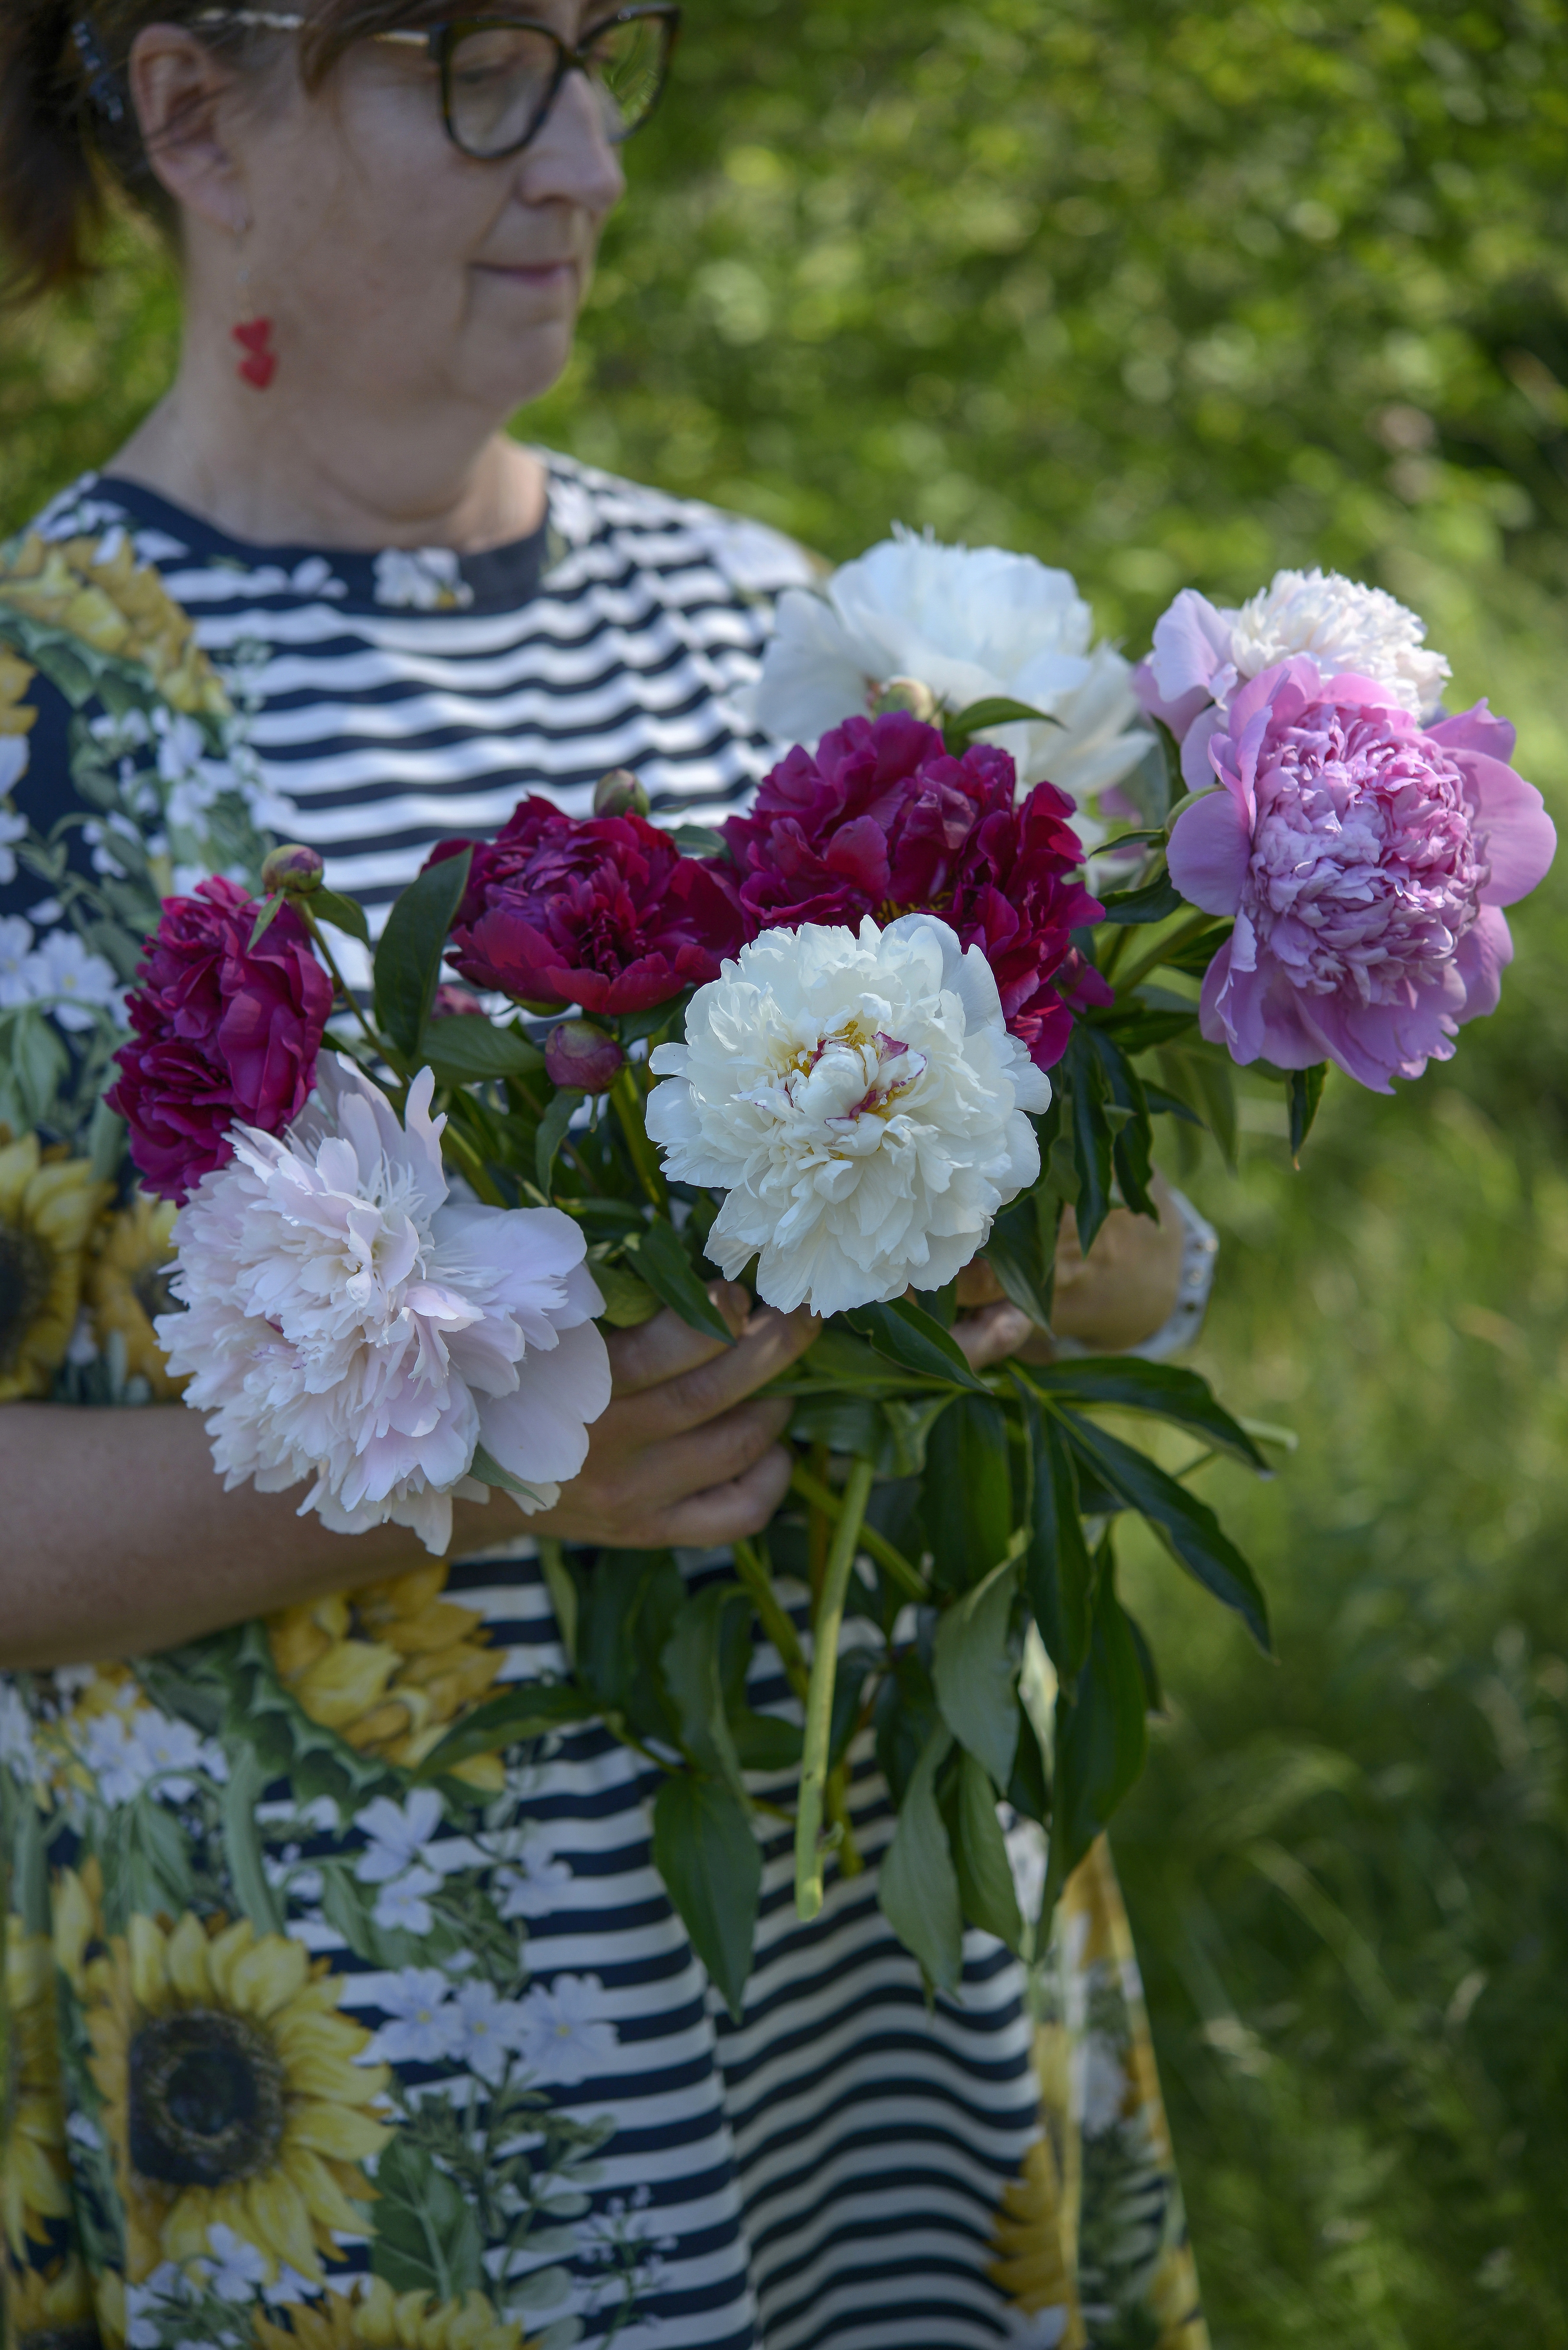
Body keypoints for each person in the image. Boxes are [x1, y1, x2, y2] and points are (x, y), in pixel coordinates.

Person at [0, 6, 1209, 2345]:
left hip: (888, 2013)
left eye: (595, 53)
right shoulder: (37, 727)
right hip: (407, 2108)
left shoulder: (775, 630)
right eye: (470, 66)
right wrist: (476, 1458)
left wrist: (1076, 1242)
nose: (581, 162)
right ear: (189, 113)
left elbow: (1111, 1261)